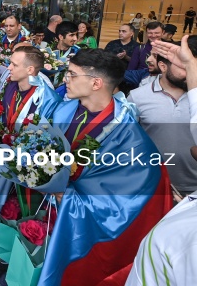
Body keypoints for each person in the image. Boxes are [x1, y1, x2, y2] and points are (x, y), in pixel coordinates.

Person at [38, 49, 171, 285]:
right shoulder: (64, 109)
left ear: (96, 82)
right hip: (51, 208)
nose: (64, 80)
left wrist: (66, 196)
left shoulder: (128, 135)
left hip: (79, 221)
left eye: (71, 74)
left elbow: (124, 203)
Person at [128, 37, 197, 196]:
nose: (191, 74)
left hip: (193, 187)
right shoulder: (137, 97)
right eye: (184, 67)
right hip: (152, 184)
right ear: (163, 66)